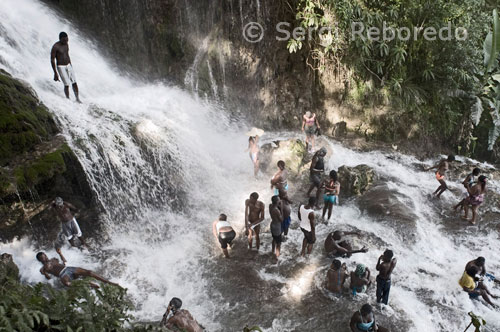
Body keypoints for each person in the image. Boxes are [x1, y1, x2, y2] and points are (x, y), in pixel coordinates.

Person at [36, 252, 119, 288]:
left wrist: (60, 254)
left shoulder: (53, 259)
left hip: (68, 268)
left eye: (45, 256)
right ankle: (89, 285)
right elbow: (49, 278)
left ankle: (109, 283)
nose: (45, 258)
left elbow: (64, 262)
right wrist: (45, 274)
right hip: (63, 275)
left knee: (89, 272)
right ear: (40, 260)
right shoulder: (42, 269)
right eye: (43, 258)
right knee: (68, 284)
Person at [50, 197, 87, 264]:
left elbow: (75, 209)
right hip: (64, 223)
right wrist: (52, 203)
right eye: (58, 204)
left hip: (71, 220)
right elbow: (50, 206)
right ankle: (73, 246)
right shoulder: (54, 206)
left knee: (78, 233)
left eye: (60, 204)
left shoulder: (66, 204)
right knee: (69, 236)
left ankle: (84, 244)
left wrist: (73, 214)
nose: (60, 205)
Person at [50, 32, 81, 103]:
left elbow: (67, 55)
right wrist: (55, 73)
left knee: (74, 82)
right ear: (60, 39)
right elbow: (52, 60)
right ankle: (68, 99)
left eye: (67, 39)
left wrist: (71, 65)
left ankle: (77, 99)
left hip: (68, 65)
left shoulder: (66, 44)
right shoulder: (55, 47)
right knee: (67, 84)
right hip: (61, 67)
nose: (66, 41)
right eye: (64, 40)